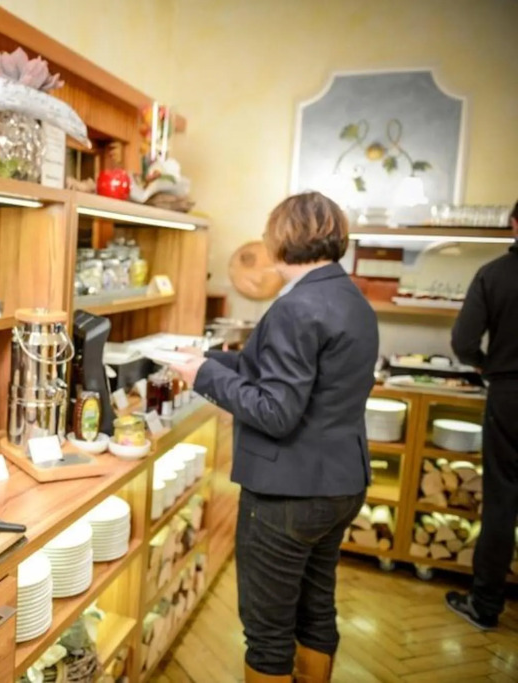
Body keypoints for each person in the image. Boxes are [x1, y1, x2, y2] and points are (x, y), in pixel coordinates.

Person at [172, 192, 378, 683]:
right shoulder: (351, 298)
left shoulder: (295, 306)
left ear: (281, 239)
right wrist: (206, 360)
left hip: (289, 494)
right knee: (315, 607)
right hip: (341, 483)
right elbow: (284, 373)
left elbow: (275, 411)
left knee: (267, 630)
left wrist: (203, 377)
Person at [446, 200, 518, 630]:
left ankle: (486, 604)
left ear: (514, 224)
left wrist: (487, 365)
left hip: (510, 394)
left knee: (503, 500)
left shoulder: (494, 274)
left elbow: (463, 342)